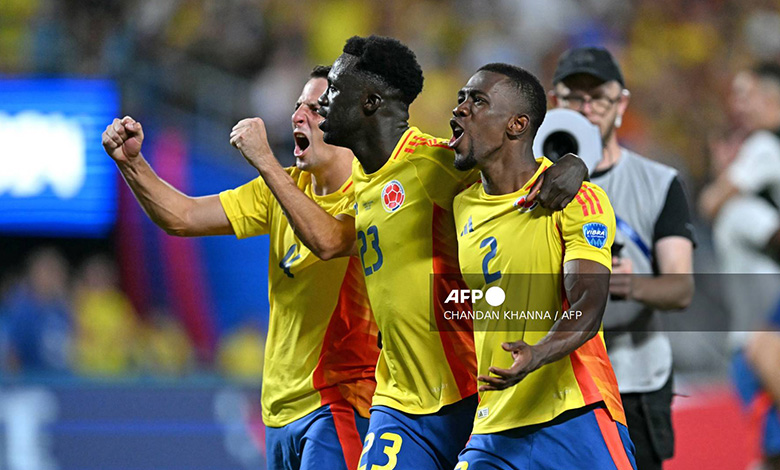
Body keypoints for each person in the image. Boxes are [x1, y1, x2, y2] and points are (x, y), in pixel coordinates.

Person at [229, 35, 589, 469]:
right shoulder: (362, 179)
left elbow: (516, 168)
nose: (322, 105)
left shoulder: (434, 166)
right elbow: (327, 240)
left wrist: (572, 164)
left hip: (466, 394)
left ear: (369, 102)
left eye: (336, 92)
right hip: (397, 402)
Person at [101, 65, 379, 470]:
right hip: (278, 412)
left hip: (342, 404)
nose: (298, 115)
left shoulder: (373, 195)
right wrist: (132, 163)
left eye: (316, 108)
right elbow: (183, 216)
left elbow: (330, 241)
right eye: (298, 105)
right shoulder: (283, 188)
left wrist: (265, 161)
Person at [449, 62, 635, 469]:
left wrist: (537, 353)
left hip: (575, 414)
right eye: (461, 98)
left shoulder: (576, 200)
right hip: (493, 424)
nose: (460, 108)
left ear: (517, 125)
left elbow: (588, 303)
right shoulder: (460, 205)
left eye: (477, 101)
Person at [550, 46, 695, 470]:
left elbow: (681, 286)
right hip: (557, 379)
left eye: (598, 96)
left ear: (621, 103)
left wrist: (628, 283)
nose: (586, 107)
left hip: (633, 381)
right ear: (555, 103)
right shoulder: (532, 181)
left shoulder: (659, 182)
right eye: (573, 97)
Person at [699, 62, 780, 470]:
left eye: (746, 94)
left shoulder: (761, 158)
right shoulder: (748, 208)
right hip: (755, 340)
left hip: (752, 340)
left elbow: (710, 202)